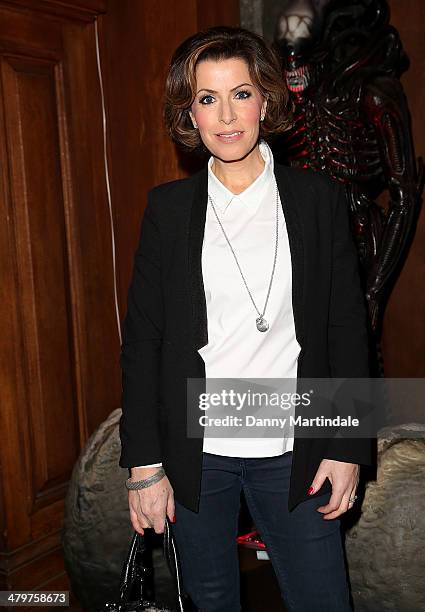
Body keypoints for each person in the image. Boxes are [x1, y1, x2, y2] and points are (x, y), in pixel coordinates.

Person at [119, 25, 374, 612]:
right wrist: (144, 465)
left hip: (297, 447)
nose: (227, 115)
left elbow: (345, 329)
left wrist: (347, 446)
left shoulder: (317, 200)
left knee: (323, 598)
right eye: (207, 99)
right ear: (191, 113)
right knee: (208, 601)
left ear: (265, 98)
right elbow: (144, 343)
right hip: (195, 453)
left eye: (241, 93)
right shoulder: (168, 209)